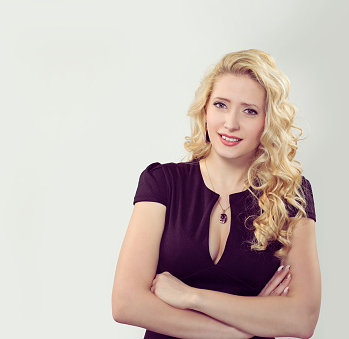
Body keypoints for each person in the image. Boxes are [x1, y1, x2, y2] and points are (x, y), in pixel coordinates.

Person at [112, 49, 321, 339]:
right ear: (205, 109)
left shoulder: (291, 195)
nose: (231, 123)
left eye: (249, 110)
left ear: (268, 121)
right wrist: (238, 331)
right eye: (221, 105)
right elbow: (126, 303)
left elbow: (302, 319)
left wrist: (191, 297)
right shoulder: (162, 183)